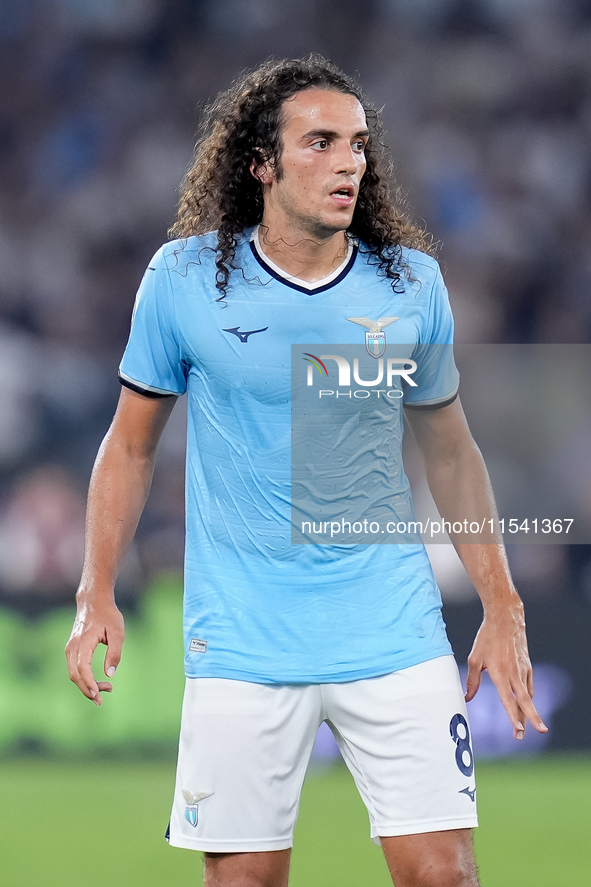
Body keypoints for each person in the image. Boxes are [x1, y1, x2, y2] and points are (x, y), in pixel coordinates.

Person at [66, 55, 547, 887]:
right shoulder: (181, 281)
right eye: (319, 142)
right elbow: (129, 445)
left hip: (391, 627)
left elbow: (451, 451)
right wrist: (94, 588)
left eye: (357, 144)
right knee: (244, 880)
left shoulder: (411, 286)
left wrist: (501, 602)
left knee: (445, 876)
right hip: (242, 641)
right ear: (260, 163)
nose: (347, 162)